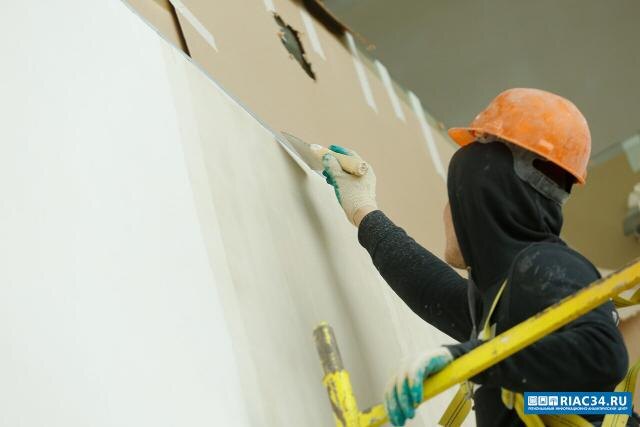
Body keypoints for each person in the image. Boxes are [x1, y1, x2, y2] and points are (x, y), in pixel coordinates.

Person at [321, 88, 630, 426]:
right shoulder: (503, 307)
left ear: (480, 200)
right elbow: (430, 288)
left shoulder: (544, 265)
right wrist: (363, 209)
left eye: (454, 197)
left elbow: (603, 355)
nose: (447, 211)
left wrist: (464, 357)